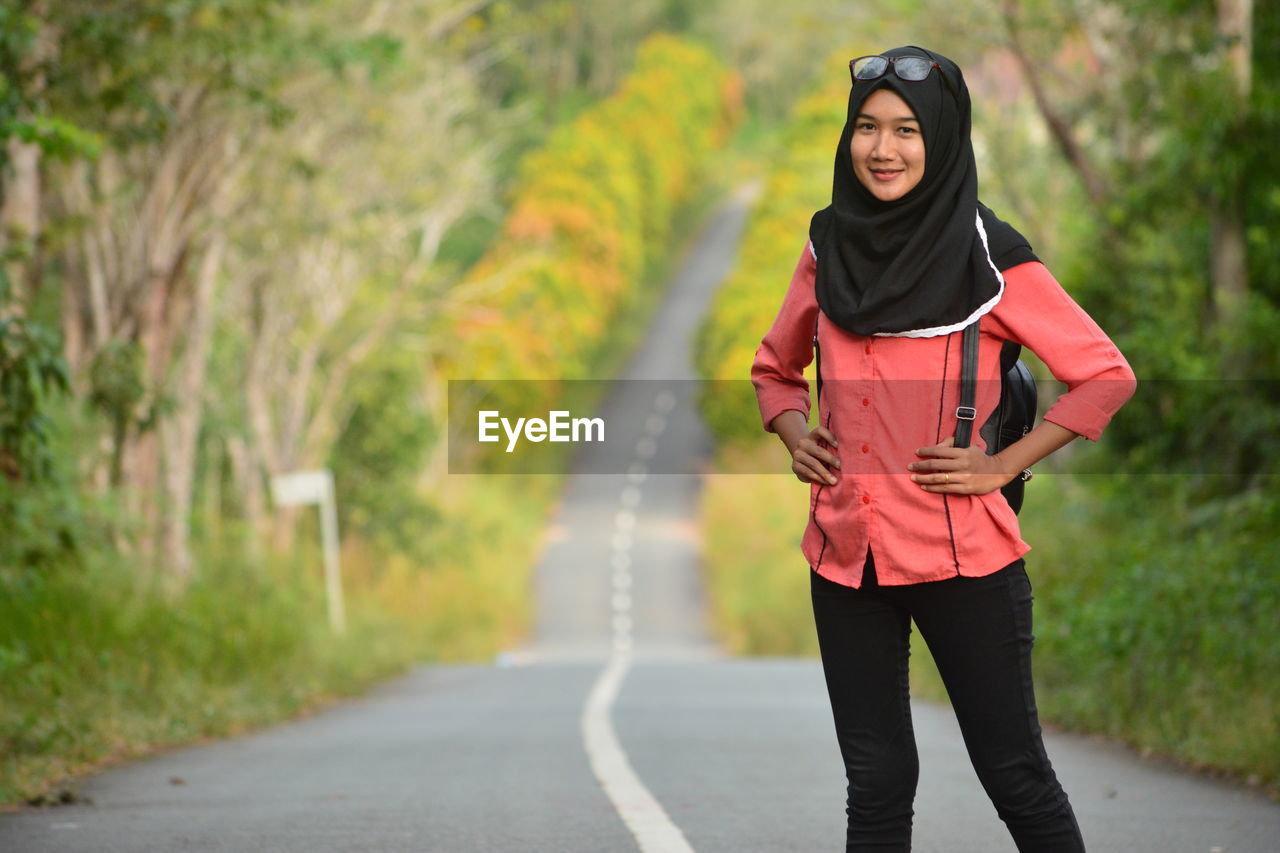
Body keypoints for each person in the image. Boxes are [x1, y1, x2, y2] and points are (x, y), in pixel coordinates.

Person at [749, 46, 1137, 852]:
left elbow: (1103, 374)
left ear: (943, 137)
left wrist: (1004, 462)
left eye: (904, 130)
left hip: (966, 562)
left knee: (1015, 776)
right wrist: (796, 436)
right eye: (866, 128)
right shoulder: (828, 246)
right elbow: (775, 367)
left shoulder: (990, 253)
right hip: (845, 556)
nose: (882, 149)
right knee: (877, 785)